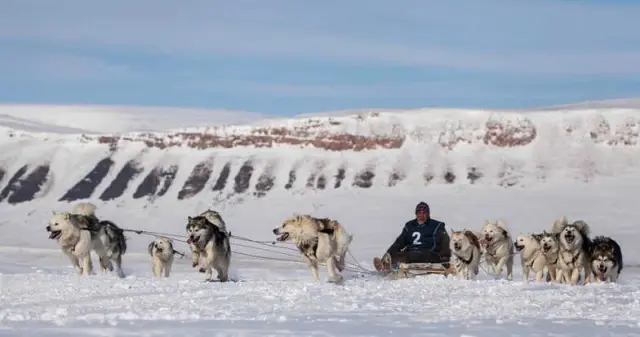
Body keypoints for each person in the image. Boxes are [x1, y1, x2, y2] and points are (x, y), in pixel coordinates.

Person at [373, 201, 451, 273]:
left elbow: (445, 242)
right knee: (400, 255)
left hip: (430, 254)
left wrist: (445, 258)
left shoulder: (436, 226)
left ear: (428, 214)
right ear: (416, 214)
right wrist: (388, 255)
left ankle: (393, 265)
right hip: (411, 253)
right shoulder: (410, 226)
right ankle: (385, 265)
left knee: (410, 255)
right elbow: (399, 243)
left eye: (424, 213)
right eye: (419, 213)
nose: (421, 215)